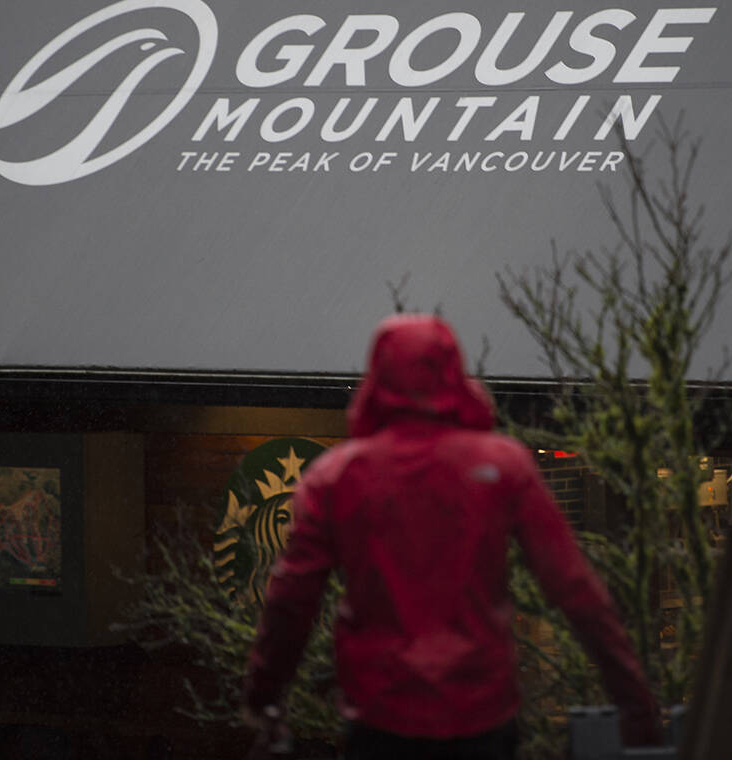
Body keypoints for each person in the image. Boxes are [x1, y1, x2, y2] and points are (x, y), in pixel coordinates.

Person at [242, 314, 661, 758]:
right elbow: (574, 587)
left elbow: (292, 599)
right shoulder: (503, 467)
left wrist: (264, 696)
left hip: (382, 719)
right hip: (482, 716)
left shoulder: (337, 477)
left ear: (376, 377)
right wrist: (633, 700)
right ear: (455, 373)